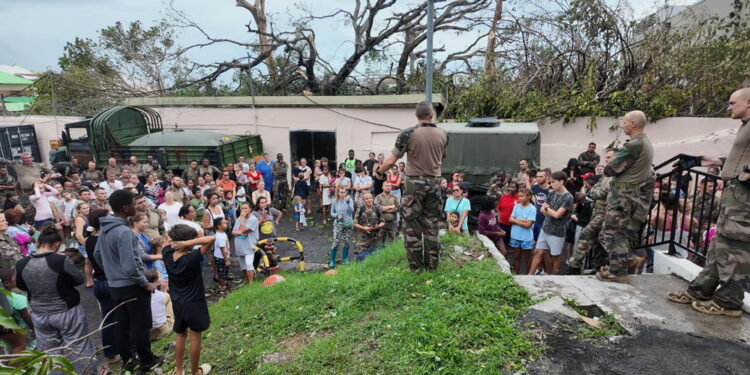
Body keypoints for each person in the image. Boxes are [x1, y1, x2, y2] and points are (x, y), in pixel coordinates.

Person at [667, 88, 750, 317]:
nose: (729, 107)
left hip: (744, 198)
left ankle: (729, 302)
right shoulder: (746, 124)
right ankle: (701, 290)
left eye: (733, 103)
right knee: (719, 245)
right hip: (734, 196)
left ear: (748, 102)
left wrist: (746, 175)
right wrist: (713, 161)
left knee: (736, 249)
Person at [94, 190, 163, 372]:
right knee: (141, 325)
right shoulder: (124, 232)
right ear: (126, 208)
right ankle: (147, 360)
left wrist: (111, 272)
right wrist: (144, 282)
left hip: (115, 286)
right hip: (132, 286)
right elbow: (131, 265)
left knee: (122, 325)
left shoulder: (105, 229)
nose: (137, 206)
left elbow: (97, 255)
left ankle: (128, 360)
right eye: (134, 203)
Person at [15, 224, 98, 374]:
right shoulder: (60, 261)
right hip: (66, 310)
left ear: (38, 243)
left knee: (50, 350)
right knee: (78, 345)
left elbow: (21, 285)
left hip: (39, 313)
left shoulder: (21, 264)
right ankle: (86, 372)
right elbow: (79, 279)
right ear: (57, 244)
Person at [377, 101, 447, 271]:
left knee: (412, 225)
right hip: (435, 182)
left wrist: (380, 171)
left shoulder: (408, 133)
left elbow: (392, 160)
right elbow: (441, 158)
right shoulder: (443, 133)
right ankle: (432, 266)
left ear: (416, 115)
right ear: (432, 115)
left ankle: (416, 268)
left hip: (414, 184)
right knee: (432, 225)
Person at [595, 111, 655, 283]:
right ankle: (622, 264)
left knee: (614, 233)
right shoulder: (645, 141)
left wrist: (611, 164)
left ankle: (618, 271)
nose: (622, 126)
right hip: (628, 192)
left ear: (634, 124)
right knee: (610, 232)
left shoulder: (634, 145)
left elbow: (610, 169)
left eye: (625, 123)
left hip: (622, 193)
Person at [162, 225, 215, 375]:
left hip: (177, 302)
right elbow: (211, 238)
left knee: (180, 334)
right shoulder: (192, 257)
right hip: (194, 303)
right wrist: (186, 243)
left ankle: (179, 370)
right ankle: (194, 372)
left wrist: (179, 242)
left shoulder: (166, 253)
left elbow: (166, 237)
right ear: (187, 242)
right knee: (195, 337)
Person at [566, 149, 616, 274]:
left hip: (607, 212)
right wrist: (595, 192)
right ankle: (599, 267)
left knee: (587, 234)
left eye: (609, 157)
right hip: (597, 210)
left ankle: (574, 265)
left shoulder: (618, 174)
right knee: (598, 243)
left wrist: (596, 192)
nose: (606, 159)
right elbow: (595, 190)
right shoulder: (607, 173)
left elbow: (601, 192)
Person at [85, 208, 119, 364]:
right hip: (111, 281)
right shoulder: (106, 238)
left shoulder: (89, 240)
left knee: (108, 318)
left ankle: (111, 354)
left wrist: (90, 278)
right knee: (123, 316)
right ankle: (128, 349)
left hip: (99, 282)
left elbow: (89, 262)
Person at [528, 171, 574, 275]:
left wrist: (548, 209)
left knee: (555, 257)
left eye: (553, 182)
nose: (551, 185)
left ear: (561, 182)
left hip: (557, 232)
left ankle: (554, 277)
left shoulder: (568, 197)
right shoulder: (552, 193)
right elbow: (542, 209)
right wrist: (550, 211)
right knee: (538, 252)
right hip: (545, 228)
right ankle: (529, 276)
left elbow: (557, 215)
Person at [510, 188, 537, 274]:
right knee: (516, 257)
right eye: (519, 196)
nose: (519, 198)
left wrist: (516, 220)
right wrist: (523, 220)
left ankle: (527, 276)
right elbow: (510, 219)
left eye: (522, 196)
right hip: (515, 236)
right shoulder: (516, 206)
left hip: (526, 238)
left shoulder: (532, 209)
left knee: (527, 258)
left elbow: (528, 225)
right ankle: (516, 275)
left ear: (528, 196)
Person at [232, 202, 259, 283]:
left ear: (250, 209)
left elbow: (244, 229)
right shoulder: (238, 219)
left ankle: (251, 284)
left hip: (249, 246)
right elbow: (233, 232)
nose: (243, 210)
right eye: (242, 208)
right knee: (243, 266)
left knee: (249, 264)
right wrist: (240, 233)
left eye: (245, 208)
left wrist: (242, 219)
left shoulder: (253, 219)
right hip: (240, 246)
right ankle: (246, 281)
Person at [145, 269, 174, 341]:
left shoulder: (142, 295)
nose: (162, 279)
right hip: (163, 330)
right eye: (160, 277)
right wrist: (164, 290)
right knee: (169, 302)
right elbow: (162, 299)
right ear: (156, 280)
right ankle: (173, 321)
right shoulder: (163, 295)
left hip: (149, 332)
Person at [329, 187, 355, 268]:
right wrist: (337, 216)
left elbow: (352, 211)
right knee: (336, 241)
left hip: (348, 224)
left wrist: (347, 202)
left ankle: (345, 258)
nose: (343, 194)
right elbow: (331, 213)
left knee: (346, 241)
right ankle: (332, 260)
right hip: (338, 224)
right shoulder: (335, 201)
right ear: (338, 193)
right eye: (341, 192)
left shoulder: (349, 200)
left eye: (344, 192)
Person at [353, 192, 384, 257]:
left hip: (375, 237)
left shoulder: (377, 209)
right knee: (361, 256)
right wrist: (364, 228)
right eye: (367, 199)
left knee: (374, 255)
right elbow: (355, 223)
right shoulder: (361, 209)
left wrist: (377, 226)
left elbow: (382, 222)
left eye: (370, 198)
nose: (369, 200)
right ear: (364, 201)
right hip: (363, 238)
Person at [74, 202, 95, 287]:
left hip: (88, 241)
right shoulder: (80, 219)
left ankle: (91, 279)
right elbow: (78, 235)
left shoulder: (87, 217)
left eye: (87, 208)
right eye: (84, 208)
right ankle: (89, 281)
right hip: (84, 243)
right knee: (88, 262)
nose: (87, 210)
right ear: (79, 210)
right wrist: (86, 245)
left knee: (90, 261)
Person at [495, 182, 519, 255]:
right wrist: (499, 220)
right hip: (502, 224)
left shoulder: (519, 198)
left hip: (513, 225)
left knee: (511, 244)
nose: (511, 189)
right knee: (501, 243)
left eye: (513, 187)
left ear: (517, 189)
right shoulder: (504, 197)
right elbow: (499, 209)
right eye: (510, 187)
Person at [374, 181, 399, 245]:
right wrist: (391, 207)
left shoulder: (395, 197)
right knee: (379, 244)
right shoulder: (378, 197)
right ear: (382, 187)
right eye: (386, 186)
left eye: (389, 186)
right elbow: (377, 208)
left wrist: (384, 209)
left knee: (395, 242)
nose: (388, 187)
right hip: (381, 223)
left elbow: (398, 208)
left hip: (393, 223)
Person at [212, 218, 231, 294]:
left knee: (224, 272)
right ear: (219, 226)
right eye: (224, 223)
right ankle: (223, 288)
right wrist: (226, 260)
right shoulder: (220, 236)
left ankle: (223, 284)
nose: (226, 224)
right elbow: (222, 249)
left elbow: (227, 245)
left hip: (223, 257)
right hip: (221, 258)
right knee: (221, 274)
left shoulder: (223, 233)